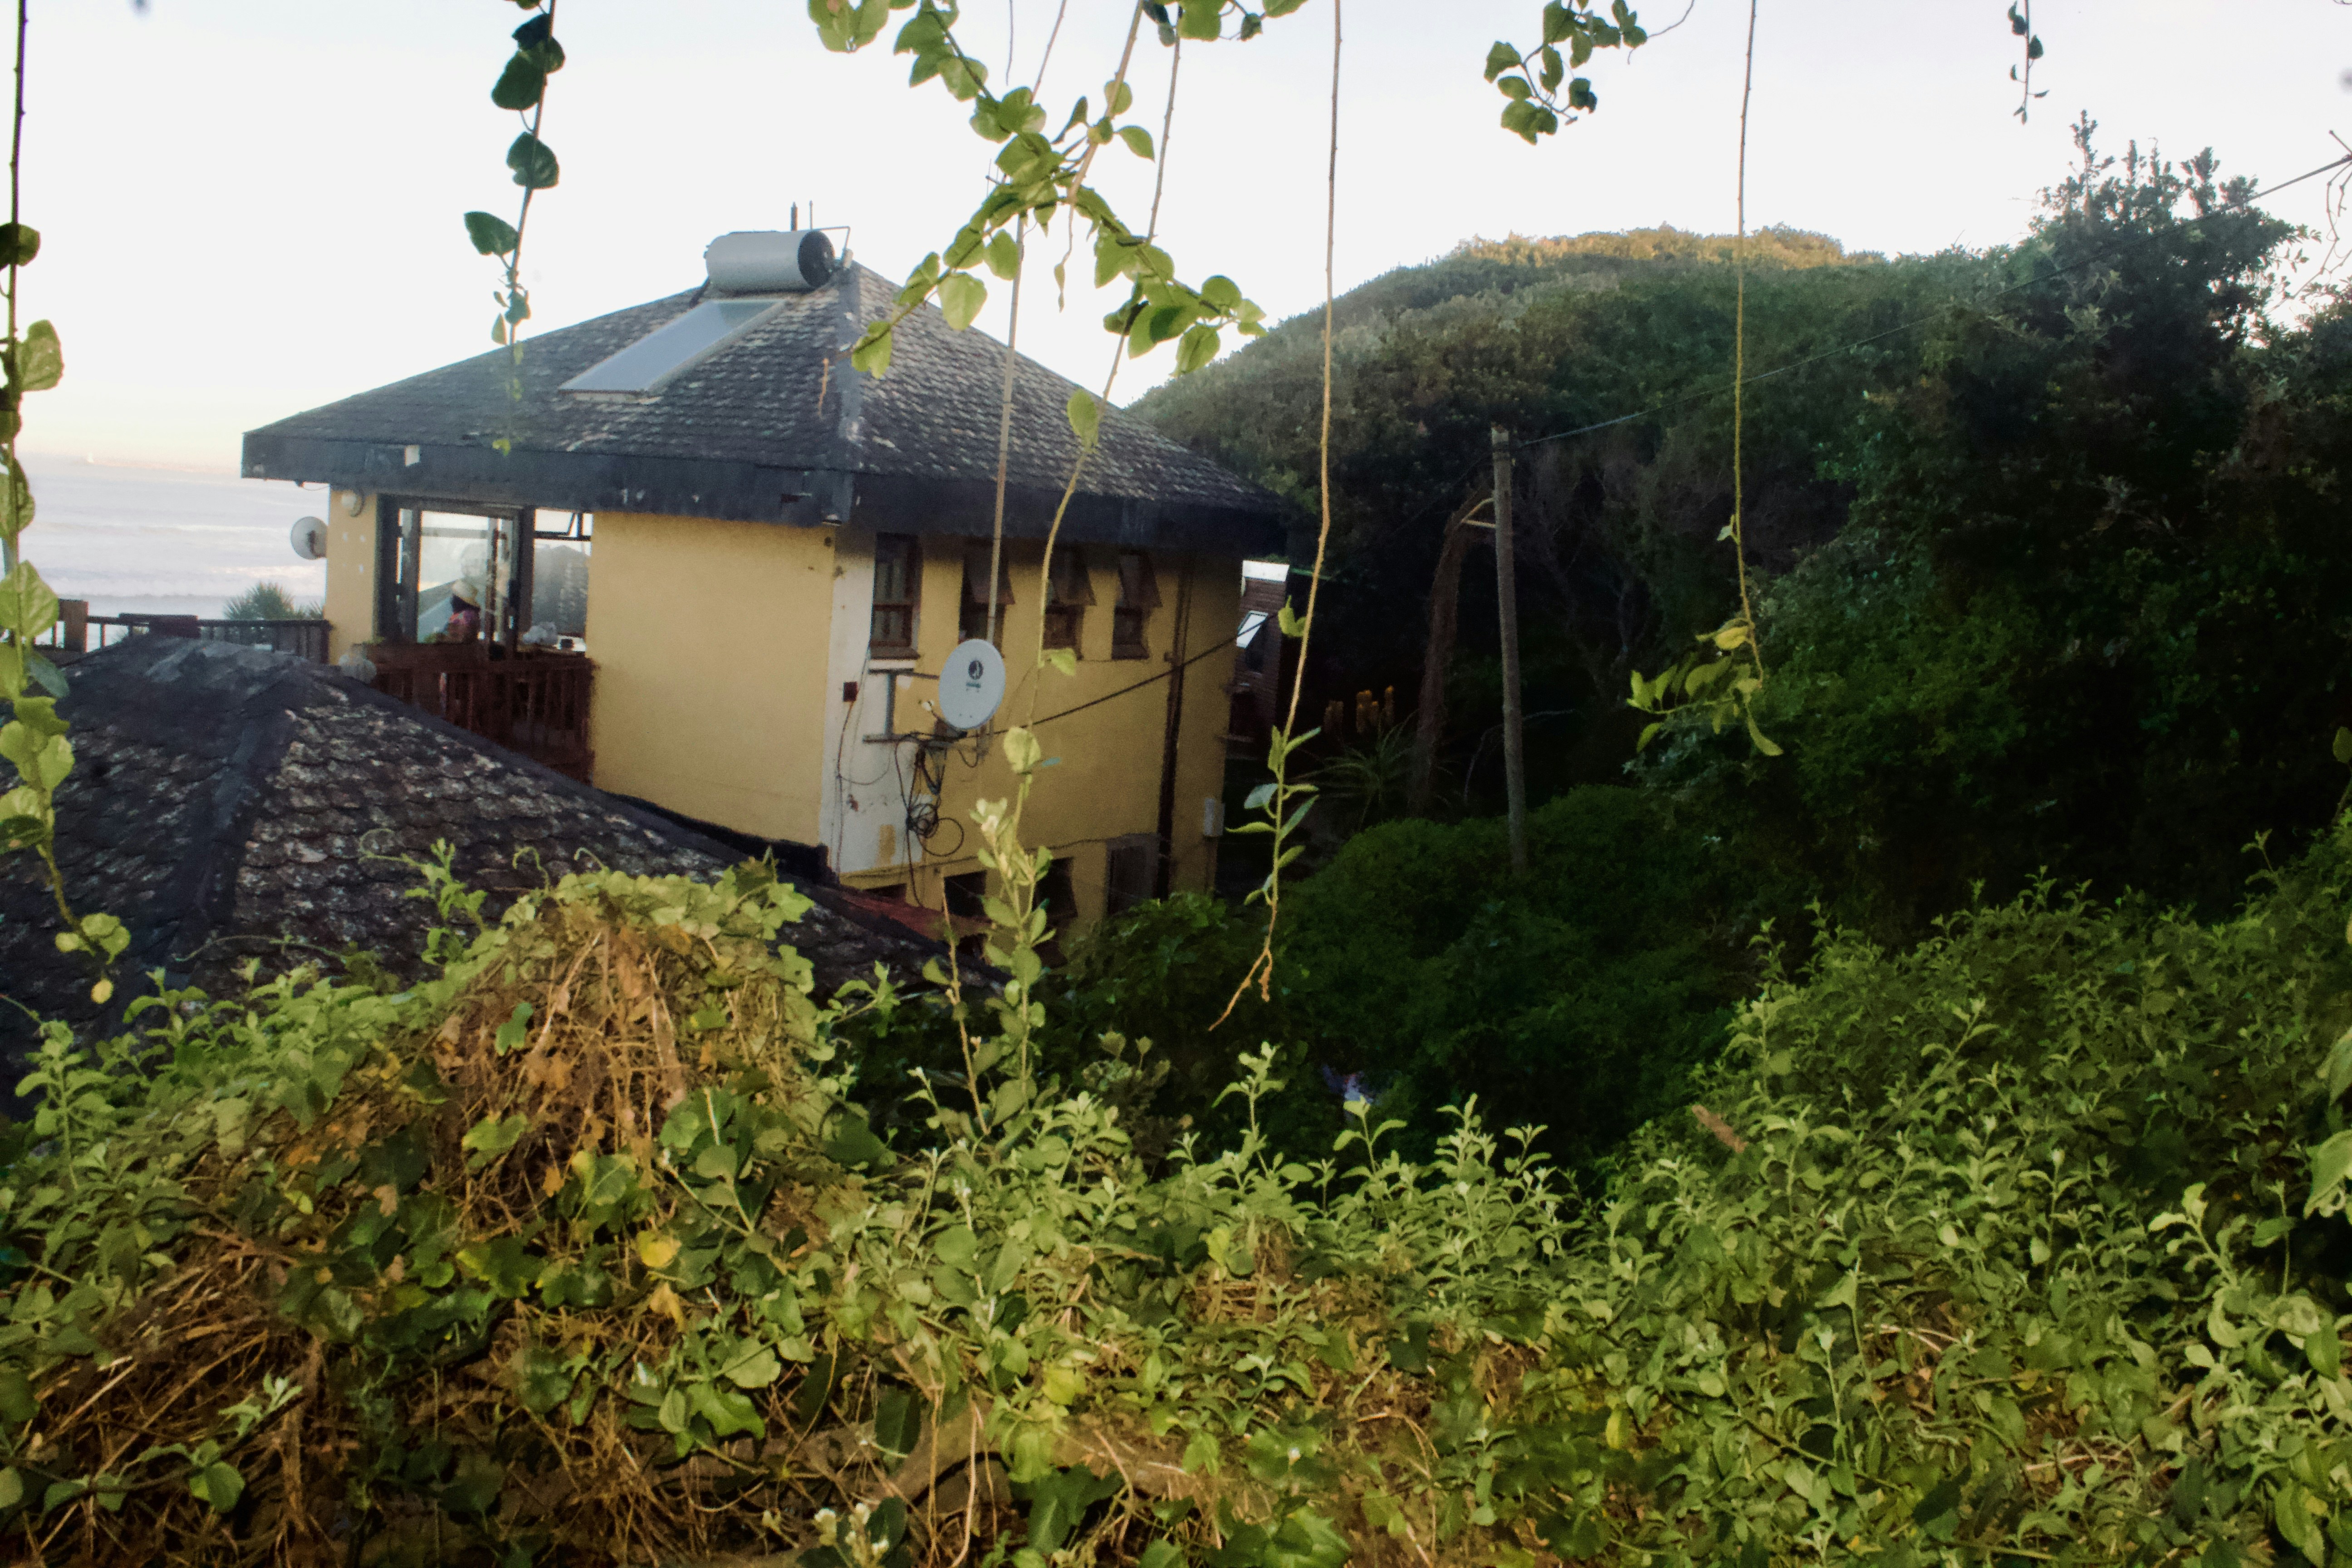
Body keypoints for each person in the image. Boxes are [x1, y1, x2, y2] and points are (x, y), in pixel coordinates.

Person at [436, 578, 483, 644]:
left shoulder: (468, 614)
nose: (451, 600)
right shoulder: (462, 614)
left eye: (454, 596)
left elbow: (462, 636)